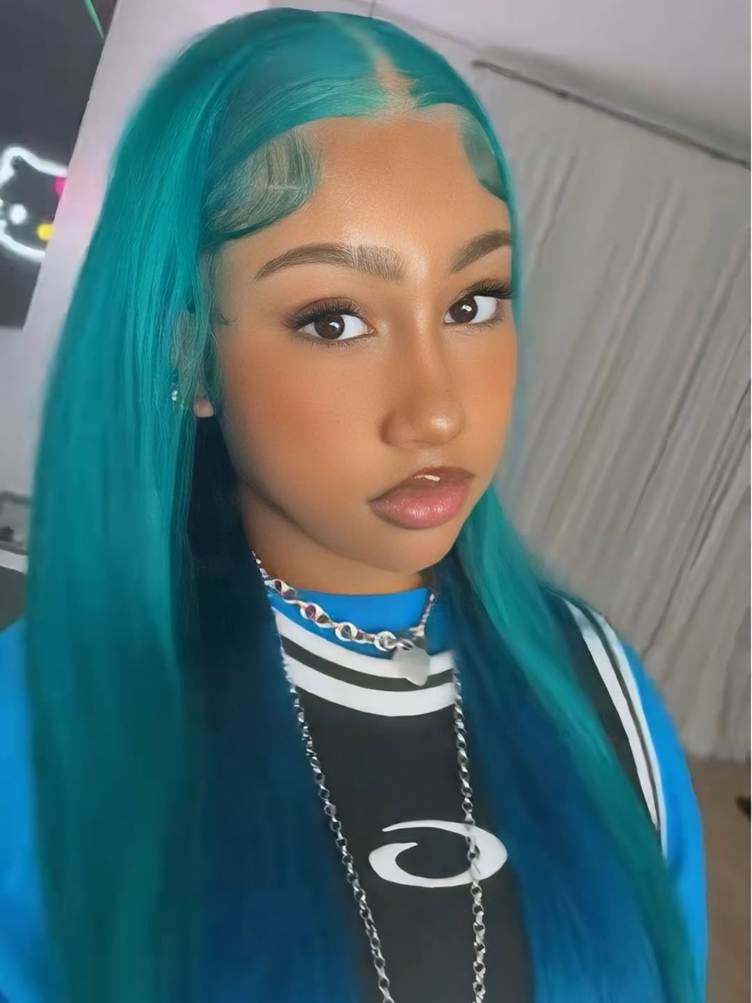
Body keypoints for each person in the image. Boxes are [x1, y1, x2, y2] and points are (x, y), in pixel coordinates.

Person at [0, 8, 707, 1003]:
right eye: (334, 319)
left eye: (471, 303)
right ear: (188, 353)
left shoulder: (596, 686)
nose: (436, 410)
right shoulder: (46, 715)